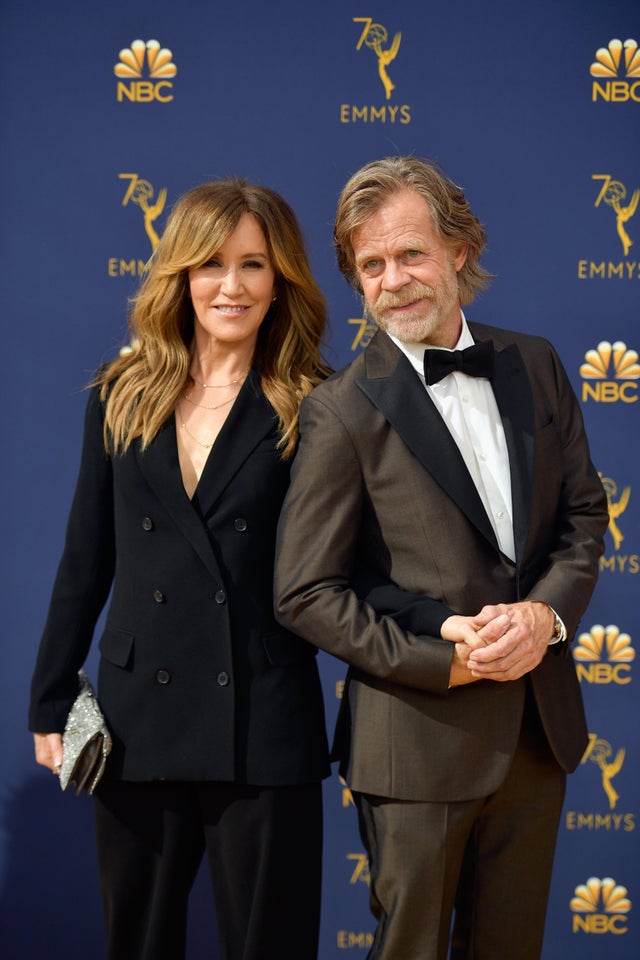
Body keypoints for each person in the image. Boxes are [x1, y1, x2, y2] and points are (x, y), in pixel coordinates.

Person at [275, 156, 609, 959]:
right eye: (372, 265)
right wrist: (442, 663)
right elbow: (306, 591)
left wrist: (546, 618)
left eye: (411, 253)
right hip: (414, 745)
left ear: (459, 249)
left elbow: (583, 516)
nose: (394, 280)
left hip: (537, 735)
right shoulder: (341, 410)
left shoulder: (535, 363)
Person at [29, 178, 331, 960]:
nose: (230, 286)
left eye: (253, 265)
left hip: (263, 718)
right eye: (210, 264)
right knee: (138, 942)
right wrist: (52, 696)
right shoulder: (120, 394)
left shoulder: (318, 403)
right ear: (180, 275)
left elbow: (345, 566)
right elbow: (85, 556)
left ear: (282, 279)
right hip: (137, 720)